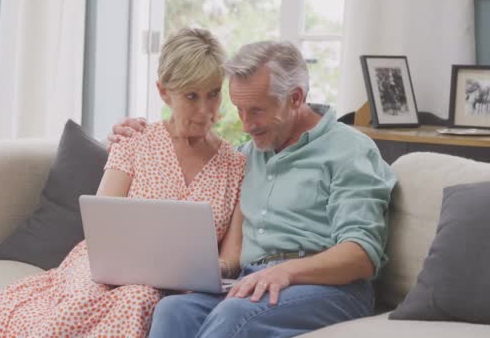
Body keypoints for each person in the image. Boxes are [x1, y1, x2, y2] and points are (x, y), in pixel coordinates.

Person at [109, 40, 397, 337]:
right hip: (250, 280)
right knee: (174, 310)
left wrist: (285, 272)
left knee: (237, 315)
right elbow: (194, 159)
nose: (246, 125)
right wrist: (131, 134)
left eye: (257, 111)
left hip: (328, 288)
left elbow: (361, 255)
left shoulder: (349, 151)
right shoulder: (246, 155)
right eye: (239, 110)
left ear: (295, 98)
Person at [0, 28, 246, 338]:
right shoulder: (134, 141)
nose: (205, 111)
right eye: (191, 96)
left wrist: (202, 272)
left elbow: (231, 257)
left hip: (182, 291)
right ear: (163, 92)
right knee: (128, 297)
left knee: (140, 298)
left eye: (213, 93)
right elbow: (100, 230)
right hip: (105, 274)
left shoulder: (235, 165)